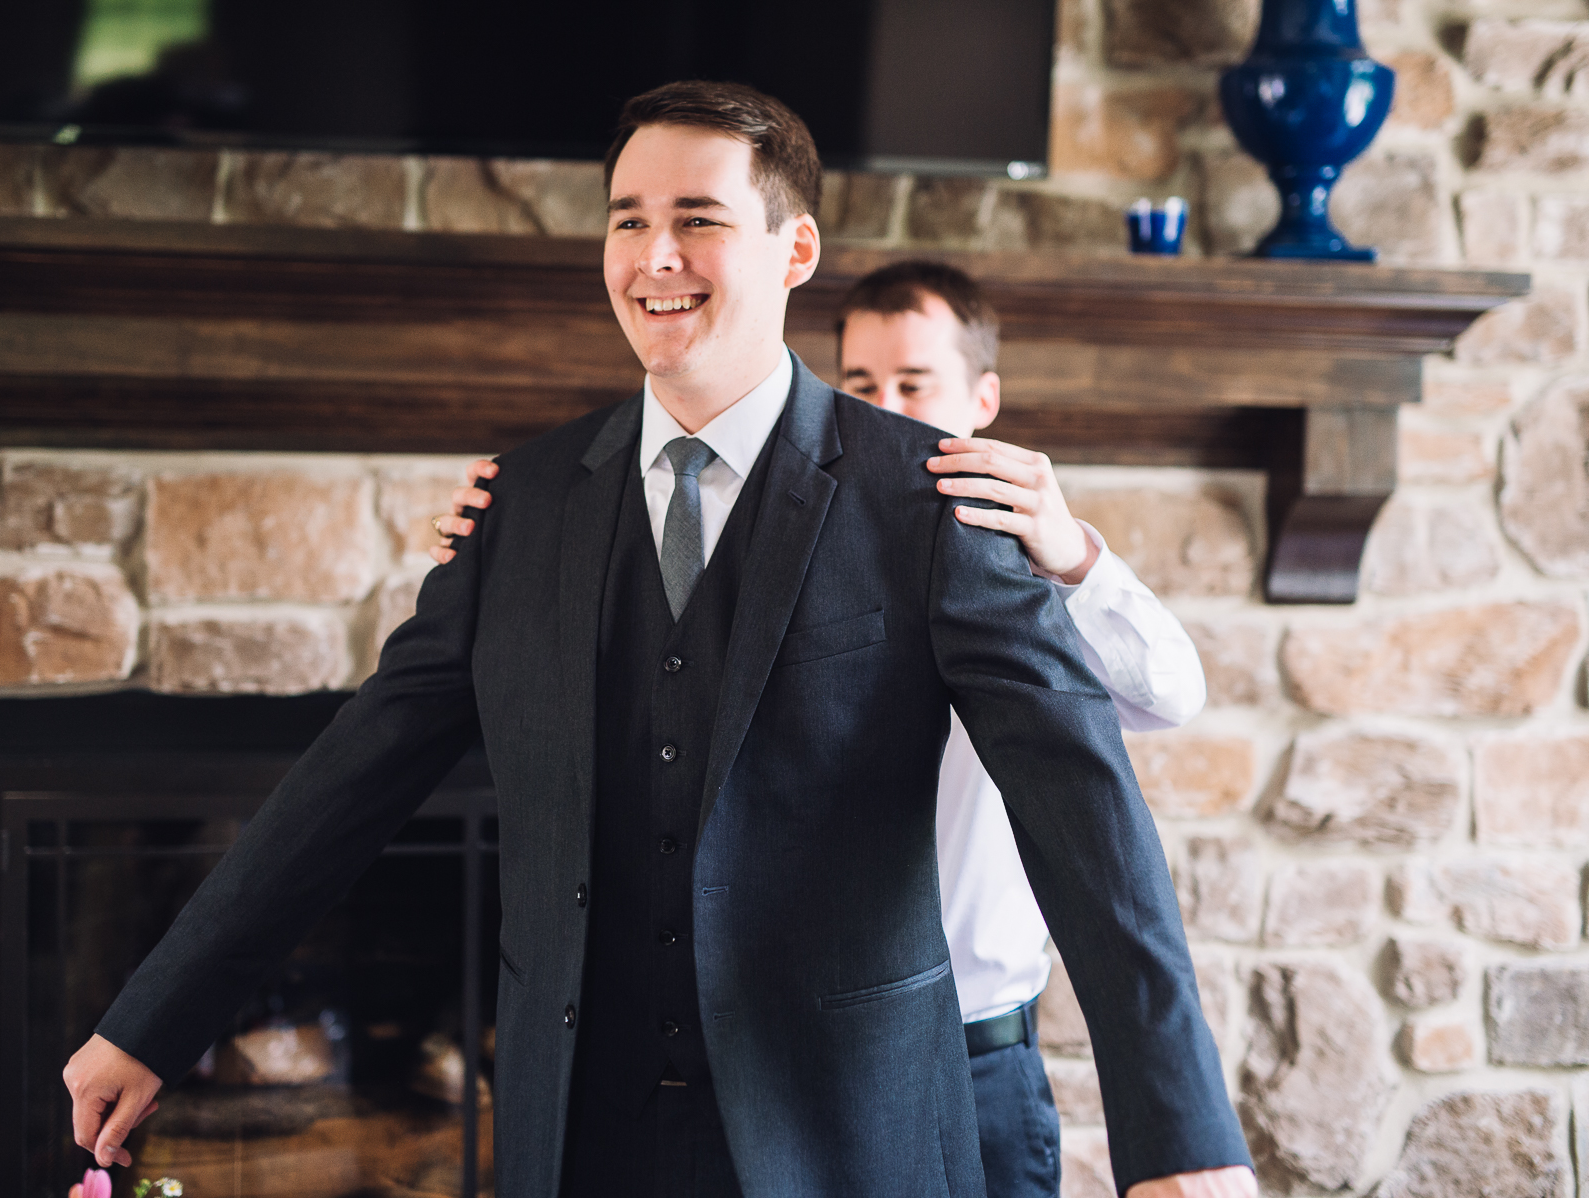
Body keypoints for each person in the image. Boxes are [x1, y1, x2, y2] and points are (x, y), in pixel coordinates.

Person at [65, 81, 1254, 1198]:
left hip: (850, 1132)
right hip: (579, 1134)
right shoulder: (520, 507)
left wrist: (1180, 1136)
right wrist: (154, 1020)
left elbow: (1086, 815)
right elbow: (345, 781)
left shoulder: (933, 500)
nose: (654, 255)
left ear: (795, 250)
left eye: (699, 219)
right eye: (628, 219)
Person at [433, 259, 1216, 1197]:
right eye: (863, 383)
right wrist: (507, 544)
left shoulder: (1015, 558)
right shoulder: (785, 531)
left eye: (915, 384)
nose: (885, 406)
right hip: (807, 1057)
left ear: (984, 399)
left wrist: (1073, 557)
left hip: (981, 1052)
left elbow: (1167, 695)